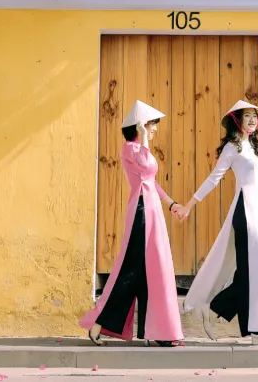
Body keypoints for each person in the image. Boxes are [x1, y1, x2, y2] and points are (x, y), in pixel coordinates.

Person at [175, 100, 258, 345]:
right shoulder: (232, 148)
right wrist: (189, 205)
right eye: (246, 116)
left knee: (257, 269)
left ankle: (230, 316)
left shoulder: (256, 147)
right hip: (244, 210)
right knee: (255, 269)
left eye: (254, 116)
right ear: (237, 120)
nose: (252, 120)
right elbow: (213, 179)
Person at [79, 100, 185, 347]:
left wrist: (172, 204)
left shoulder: (139, 149)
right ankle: (99, 323)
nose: (155, 129)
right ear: (140, 125)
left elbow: (152, 181)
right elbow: (147, 165)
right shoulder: (130, 148)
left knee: (151, 271)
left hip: (152, 212)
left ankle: (157, 331)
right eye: (151, 125)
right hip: (141, 212)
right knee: (131, 270)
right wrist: (144, 137)